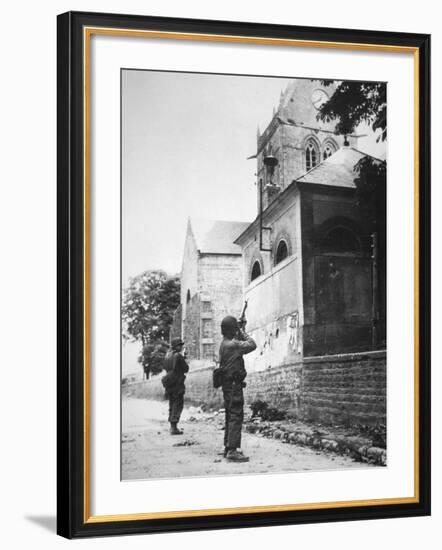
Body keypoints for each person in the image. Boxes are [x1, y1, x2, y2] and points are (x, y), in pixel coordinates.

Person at [219, 315, 256, 462]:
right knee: (236, 414)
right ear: (233, 330)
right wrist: (241, 330)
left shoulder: (224, 344)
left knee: (230, 414)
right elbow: (252, 344)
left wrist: (237, 329)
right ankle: (233, 450)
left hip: (227, 385)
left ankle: (228, 446)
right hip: (234, 385)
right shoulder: (233, 345)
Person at [163, 337, 189, 435]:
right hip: (177, 383)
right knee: (178, 404)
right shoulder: (178, 356)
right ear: (176, 346)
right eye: (180, 345)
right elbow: (186, 368)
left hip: (169, 383)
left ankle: (172, 426)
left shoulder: (167, 355)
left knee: (172, 404)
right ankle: (174, 427)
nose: (181, 347)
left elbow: (166, 367)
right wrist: (183, 358)